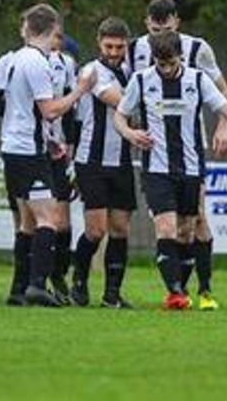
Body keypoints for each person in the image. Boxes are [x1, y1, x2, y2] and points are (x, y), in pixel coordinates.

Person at [114, 31, 227, 310]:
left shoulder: (197, 80)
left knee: (187, 231)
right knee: (165, 227)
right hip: (157, 168)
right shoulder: (141, 80)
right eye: (160, 64)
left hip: (190, 167)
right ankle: (175, 292)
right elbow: (120, 115)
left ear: (180, 57)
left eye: (170, 63)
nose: (166, 70)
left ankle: (184, 289)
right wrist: (129, 133)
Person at [127, 0, 227, 310]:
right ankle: (178, 291)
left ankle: (203, 290)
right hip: (153, 146)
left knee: (196, 220)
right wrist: (131, 126)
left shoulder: (198, 48)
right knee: (168, 225)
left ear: (177, 23)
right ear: (147, 24)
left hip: (190, 145)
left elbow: (223, 90)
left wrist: (223, 126)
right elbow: (127, 90)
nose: (161, 35)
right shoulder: (134, 50)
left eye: (167, 28)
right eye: (155, 29)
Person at [0, 3, 92, 307]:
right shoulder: (38, 62)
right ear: (53, 30)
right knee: (49, 217)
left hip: (15, 146)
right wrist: (79, 91)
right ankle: (37, 286)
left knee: (27, 221)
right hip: (27, 150)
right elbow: (49, 110)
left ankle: (17, 289)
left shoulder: (15, 59)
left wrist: (50, 140)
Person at [68, 17, 137, 309]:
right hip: (91, 160)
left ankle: (112, 294)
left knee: (120, 228)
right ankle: (79, 281)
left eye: (119, 47)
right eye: (108, 46)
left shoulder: (131, 70)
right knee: (96, 230)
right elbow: (120, 102)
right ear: (99, 43)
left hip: (120, 160)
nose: (113, 52)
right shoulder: (92, 71)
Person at [0, 46, 31, 305]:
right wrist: (20, 115)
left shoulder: (66, 63)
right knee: (24, 218)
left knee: (53, 220)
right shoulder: (10, 61)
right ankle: (21, 286)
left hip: (53, 151)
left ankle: (42, 282)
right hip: (20, 149)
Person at [44, 29, 80, 304]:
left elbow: (72, 112)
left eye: (58, 36)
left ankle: (58, 276)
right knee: (31, 220)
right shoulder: (19, 62)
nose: (56, 42)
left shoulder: (67, 66)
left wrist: (70, 146)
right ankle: (32, 280)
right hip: (28, 150)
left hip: (57, 152)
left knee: (61, 220)